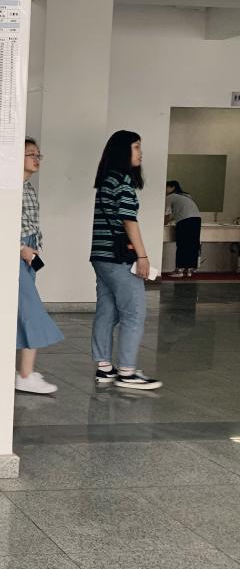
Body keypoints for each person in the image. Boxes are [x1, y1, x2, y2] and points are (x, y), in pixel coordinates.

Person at [90, 130, 162, 390]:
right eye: (136, 147)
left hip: (101, 256)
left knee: (107, 312)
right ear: (123, 151)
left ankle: (104, 368)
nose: (141, 153)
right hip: (119, 258)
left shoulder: (107, 179)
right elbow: (129, 221)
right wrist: (142, 256)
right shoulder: (122, 182)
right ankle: (127, 373)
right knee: (134, 313)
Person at [15, 138, 64, 394]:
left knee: (23, 310)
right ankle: (25, 374)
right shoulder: (10, 187)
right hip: (18, 253)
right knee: (31, 310)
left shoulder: (28, 188)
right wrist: (19, 247)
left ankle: (24, 372)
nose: (36, 158)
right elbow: (0, 221)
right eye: (30, 154)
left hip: (29, 252)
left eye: (38, 155)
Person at [165, 180, 202, 278]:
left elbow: (168, 214)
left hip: (185, 221)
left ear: (172, 187)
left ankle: (179, 270)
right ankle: (189, 270)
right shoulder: (187, 195)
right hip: (196, 219)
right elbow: (178, 212)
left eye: (166, 187)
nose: (165, 190)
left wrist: (163, 224)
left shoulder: (170, 197)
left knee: (182, 244)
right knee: (193, 244)